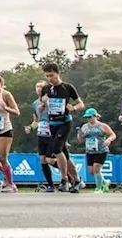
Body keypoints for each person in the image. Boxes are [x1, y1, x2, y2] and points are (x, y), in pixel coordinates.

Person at [39, 63, 83, 194]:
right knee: (65, 155)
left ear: (58, 73)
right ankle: (76, 180)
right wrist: (43, 103)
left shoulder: (67, 87)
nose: (50, 78)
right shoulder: (46, 89)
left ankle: (64, 180)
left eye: (51, 75)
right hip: (52, 124)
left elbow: (81, 104)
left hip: (64, 122)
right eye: (47, 76)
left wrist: (73, 108)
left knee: (57, 148)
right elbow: (41, 108)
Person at [79, 108, 115, 193]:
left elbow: (113, 134)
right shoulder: (84, 127)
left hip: (101, 150)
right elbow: (81, 140)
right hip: (90, 150)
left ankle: (98, 188)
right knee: (92, 171)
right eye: (87, 117)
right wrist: (81, 136)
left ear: (95, 116)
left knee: (96, 168)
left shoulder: (102, 126)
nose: (88, 119)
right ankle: (105, 182)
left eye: (90, 117)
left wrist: (109, 140)